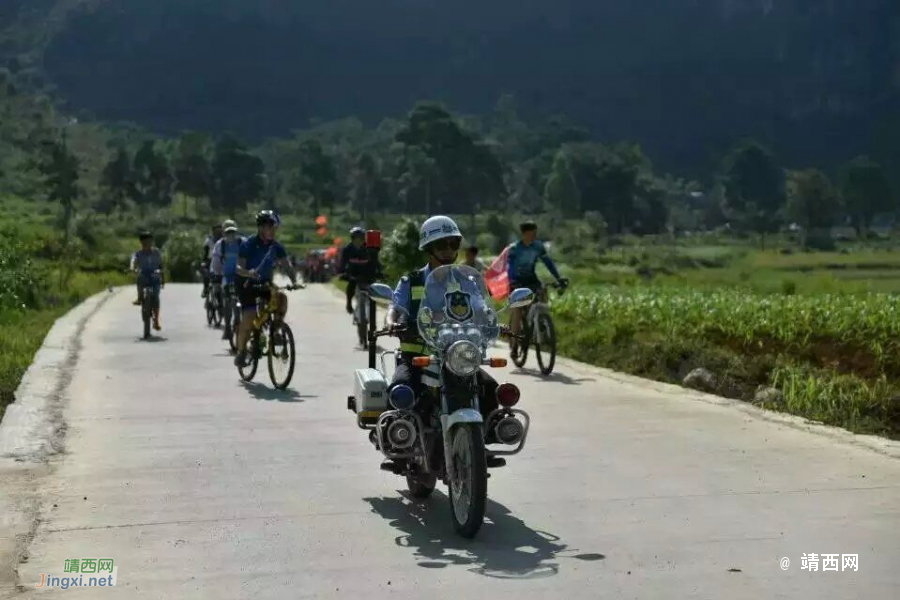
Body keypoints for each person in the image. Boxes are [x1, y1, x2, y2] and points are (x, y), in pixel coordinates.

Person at [386, 216, 500, 434]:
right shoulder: (411, 280)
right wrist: (391, 322)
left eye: (453, 244)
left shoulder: (467, 280)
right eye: (441, 244)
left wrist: (493, 321)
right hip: (417, 359)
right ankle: (399, 442)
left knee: (492, 391)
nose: (449, 250)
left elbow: (480, 307)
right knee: (399, 392)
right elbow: (396, 308)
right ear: (428, 248)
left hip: (458, 356)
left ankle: (484, 444)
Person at [233, 210, 299, 366]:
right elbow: (238, 267)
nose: (274, 231)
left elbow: (286, 266)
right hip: (246, 284)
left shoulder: (276, 247)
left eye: (275, 227)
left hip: (265, 283)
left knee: (281, 298)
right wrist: (248, 273)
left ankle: (276, 330)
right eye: (271, 227)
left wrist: (294, 280)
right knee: (249, 317)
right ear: (261, 227)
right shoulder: (248, 244)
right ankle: (241, 352)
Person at [507, 220, 567, 353]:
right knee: (518, 309)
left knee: (543, 293)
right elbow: (509, 267)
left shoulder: (538, 246)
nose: (534, 235)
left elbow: (548, 263)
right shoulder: (515, 248)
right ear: (524, 234)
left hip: (531, 279)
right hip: (517, 281)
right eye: (531, 233)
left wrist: (558, 278)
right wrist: (512, 281)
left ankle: (541, 321)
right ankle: (514, 342)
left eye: (535, 233)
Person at [211, 220, 245, 339]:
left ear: (236, 232)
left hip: (242, 276)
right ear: (224, 233)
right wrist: (217, 273)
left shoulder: (243, 242)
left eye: (233, 232)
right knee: (227, 301)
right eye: (228, 232)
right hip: (227, 276)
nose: (231, 235)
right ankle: (227, 328)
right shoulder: (220, 245)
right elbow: (215, 261)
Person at [338, 226, 382, 314]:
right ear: (352, 239)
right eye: (355, 238)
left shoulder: (369, 249)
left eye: (360, 238)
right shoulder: (347, 250)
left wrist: (379, 271)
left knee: (372, 289)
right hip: (353, 273)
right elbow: (343, 262)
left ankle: (372, 311)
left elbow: (375, 261)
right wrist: (342, 272)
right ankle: (349, 303)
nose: (358, 240)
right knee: (351, 285)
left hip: (367, 272)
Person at [130, 231, 164, 330]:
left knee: (156, 298)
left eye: (149, 241)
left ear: (152, 241)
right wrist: (133, 268)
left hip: (155, 276)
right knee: (140, 277)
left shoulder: (156, 252)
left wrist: (162, 275)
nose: (147, 244)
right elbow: (133, 261)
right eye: (144, 241)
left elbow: (161, 264)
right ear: (141, 242)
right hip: (144, 275)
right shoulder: (138, 253)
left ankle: (156, 321)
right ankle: (140, 298)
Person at [200, 223, 223, 298]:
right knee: (206, 274)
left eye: (220, 232)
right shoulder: (209, 240)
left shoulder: (225, 240)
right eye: (216, 232)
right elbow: (205, 253)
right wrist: (204, 262)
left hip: (222, 260)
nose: (218, 234)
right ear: (213, 232)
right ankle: (206, 289)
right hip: (210, 260)